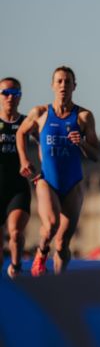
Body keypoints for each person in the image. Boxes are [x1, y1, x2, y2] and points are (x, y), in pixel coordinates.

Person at [16, 66, 100, 276]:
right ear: (53, 85)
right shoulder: (41, 113)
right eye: (59, 81)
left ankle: (58, 281)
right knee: (51, 224)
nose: (63, 85)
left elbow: (96, 154)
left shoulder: (83, 117)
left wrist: (81, 142)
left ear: (74, 86)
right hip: (47, 180)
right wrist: (24, 159)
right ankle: (42, 251)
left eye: (67, 82)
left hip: (73, 182)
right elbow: (20, 133)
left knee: (63, 243)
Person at [0, 77, 31, 278]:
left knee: (16, 233)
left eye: (15, 94)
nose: (10, 98)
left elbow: (46, 142)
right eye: (5, 93)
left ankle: (16, 266)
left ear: (20, 97)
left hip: (18, 187)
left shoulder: (27, 122)